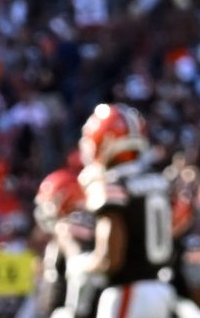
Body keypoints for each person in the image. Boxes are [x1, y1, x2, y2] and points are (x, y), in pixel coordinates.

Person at [76, 106, 179, 318]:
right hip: (161, 290)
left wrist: (80, 263)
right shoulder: (157, 181)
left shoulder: (113, 185)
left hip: (129, 293)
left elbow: (109, 259)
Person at [34, 167, 97, 318]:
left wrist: (75, 312)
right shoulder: (94, 223)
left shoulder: (67, 229)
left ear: (63, 198)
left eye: (48, 203)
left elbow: (80, 272)